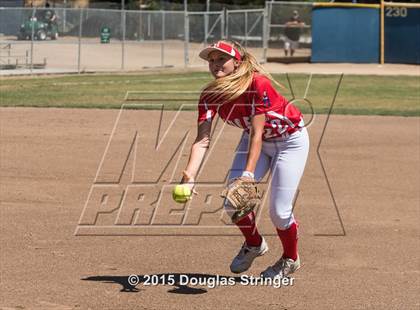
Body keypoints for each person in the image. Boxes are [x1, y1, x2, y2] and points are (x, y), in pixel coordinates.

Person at [179, 40, 309, 279]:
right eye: (211, 60)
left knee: (279, 212)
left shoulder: (258, 83)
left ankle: (290, 259)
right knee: (233, 201)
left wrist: (248, 176)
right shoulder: (210, 95)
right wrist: (188, 177)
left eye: (221, 59)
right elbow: (202, 140)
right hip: (253, 140)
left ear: (237, 62)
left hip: (289, 141)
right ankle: (255, 244)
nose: (215, 64)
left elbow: (258, 132)